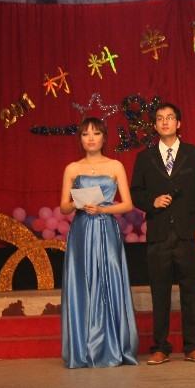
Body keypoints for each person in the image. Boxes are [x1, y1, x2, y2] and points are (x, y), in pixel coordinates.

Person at [130, 102, 195, 364]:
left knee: (191, 292)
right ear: (155, 125)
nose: (165, 122)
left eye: (170, 118)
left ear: (178, 123)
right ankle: (160, 347)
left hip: (187, 233)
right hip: (159, 233)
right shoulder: (145, 157)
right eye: (160, 118)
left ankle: (193, 346)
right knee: (159, 292)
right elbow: (135, 193)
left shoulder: (193, 153)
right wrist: (151, 202)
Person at [59, 117, 139, 368]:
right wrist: (78, 203)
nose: (91, 138)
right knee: (83, 283)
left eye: (96, 133)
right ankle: (83, 348)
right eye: (85, 134)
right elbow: (63, 207)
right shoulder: (72, 168)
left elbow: (127, 204)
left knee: (109, 280)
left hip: (106, 228)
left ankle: (113, 345)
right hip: (82, 231)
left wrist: (103, 209)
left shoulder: (115, 166)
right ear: (80, 139)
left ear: (104, 137)